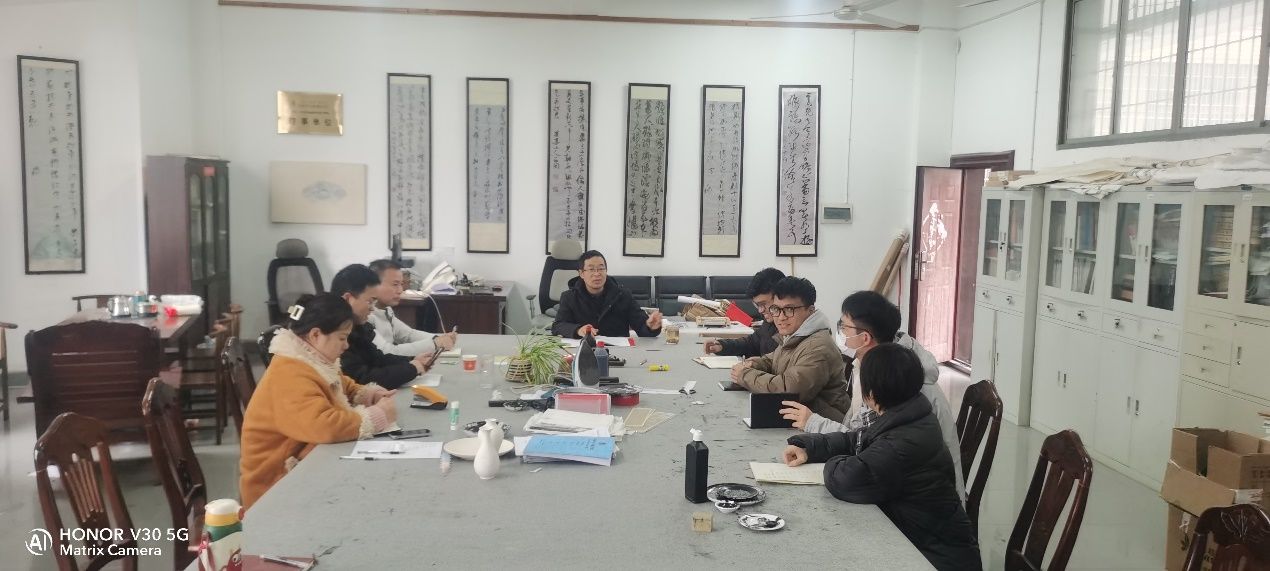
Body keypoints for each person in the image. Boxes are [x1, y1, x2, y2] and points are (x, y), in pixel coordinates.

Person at [783, 344, 980, 571]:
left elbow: (847, 479)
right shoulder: (910, 415)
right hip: (923, 541)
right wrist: (811, 447)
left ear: (871, 394)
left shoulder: (900, 444)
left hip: (933, 559)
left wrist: (834, 462)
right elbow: (858, 439)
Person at [779, 290, 966, 501]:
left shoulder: (897, 380)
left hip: (918, 501)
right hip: (898, 482)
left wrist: (814, 424)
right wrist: (813, 447)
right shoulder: (878, 364)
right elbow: (862, 436)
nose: (841, 333)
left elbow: (871, 447)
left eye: (844, 327)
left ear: (865, 338)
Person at [240, 294, 399, 510]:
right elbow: (325, 426)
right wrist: (377, 417)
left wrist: (369, 394)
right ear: (315, 335)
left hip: (303, 463)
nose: (346, 346)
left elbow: (340, 385)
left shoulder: (311, 359)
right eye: (342, 338)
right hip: (275, 488)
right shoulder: (289, 373)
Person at [730, 277, 849, 421]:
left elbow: (788, 390)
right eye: (776, 309)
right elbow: (772, 360)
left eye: (789, 309)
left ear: (810, 310)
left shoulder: (818, 346)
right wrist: (751, 364)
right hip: (798, 420)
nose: (781, 317)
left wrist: (744, 375)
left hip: (825, 425)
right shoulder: (795, 335)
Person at [331, 263, 434, 389]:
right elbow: (362, 379)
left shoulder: (359, 327)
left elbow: (378, 358)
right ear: (348, 299)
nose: (372, 308)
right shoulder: (333, 333)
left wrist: (411, 361)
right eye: (369, 301)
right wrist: (412, 368)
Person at [551, 250, 663, 339]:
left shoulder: (623, 295)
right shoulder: (569, 297)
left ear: (606, 270)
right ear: (581, 273)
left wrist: (650, 327)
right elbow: (558, 326)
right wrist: (578, 330)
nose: (597, 274)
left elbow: (641, 327)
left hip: (619, 352)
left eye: (601, 268)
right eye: (591, 269)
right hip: (584, 350)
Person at [367, 259, 458, 357]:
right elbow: (388, 352)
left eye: (401, 284)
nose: (400, 290)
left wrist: (439, 338)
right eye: (395, 284)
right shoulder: (366, 316)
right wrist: (435, 343)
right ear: (373, 285)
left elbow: (408, 335)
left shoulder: (386, 310)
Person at [703, 267, 784, 358]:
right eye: (757, 305)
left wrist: (754, 365)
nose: (760, 310)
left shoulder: (790, 328)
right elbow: (752, 343)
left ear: (781, 297)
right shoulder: (770, 322)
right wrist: (722, 346)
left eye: (763, 304)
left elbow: (775, 363)